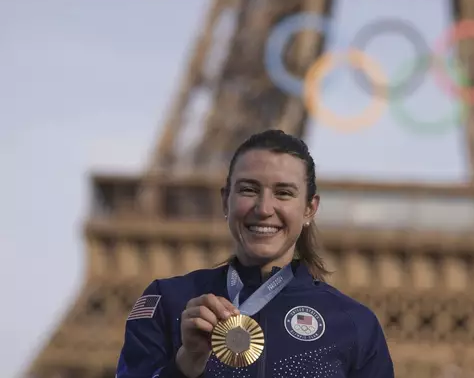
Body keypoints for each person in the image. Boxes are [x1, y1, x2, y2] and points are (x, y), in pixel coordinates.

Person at [116, 129, 395, 377]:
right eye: (249, 189)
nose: (263, 208)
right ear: (226, 200)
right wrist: (185, 365)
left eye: (283, 193)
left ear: (309, 209)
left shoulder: (354, 324)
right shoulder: (168, 302)